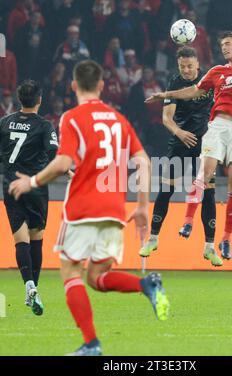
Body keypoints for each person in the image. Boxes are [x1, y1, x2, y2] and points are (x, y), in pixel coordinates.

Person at [9, 60, 170, 356]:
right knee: (97, 277)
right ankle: (147, 284)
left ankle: (91, 344)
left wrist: (31, 181)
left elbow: (63, 163)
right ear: (101, 86)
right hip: (114, 208)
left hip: (82, 207)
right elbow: (144, 162)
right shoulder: (118, 119)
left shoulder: (72, 117)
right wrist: (144, 206)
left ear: (73, 86)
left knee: (71, 273)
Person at [146, 31, 232, 260]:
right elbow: (193, 90)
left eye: (228, 44)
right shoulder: (216, 71)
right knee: (205, 174)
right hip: (216, 127)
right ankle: (187, 222)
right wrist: (165, 94)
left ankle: (225, 240)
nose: (224, 48)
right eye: (222, 45)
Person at [140, 47, 222, 267]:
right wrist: (180, 133)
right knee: (166, 189)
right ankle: (153, 239)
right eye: (182, 66)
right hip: (180, 142)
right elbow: (167, 118)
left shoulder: (209, 81)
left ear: (197, 64)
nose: (186, 70)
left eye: (189, 66)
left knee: (209, 193)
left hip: (205, 145)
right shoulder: (175, 83)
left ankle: (210, 247)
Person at [0, 80, 59, 315]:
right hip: (35, 186)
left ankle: (29, 285)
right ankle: (34, 289)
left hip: (10, 186)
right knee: (36, 239)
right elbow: (55, 154)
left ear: (19, 99)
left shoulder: (4, 123)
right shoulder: (45, 126)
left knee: (20, 239)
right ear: (40, 100)